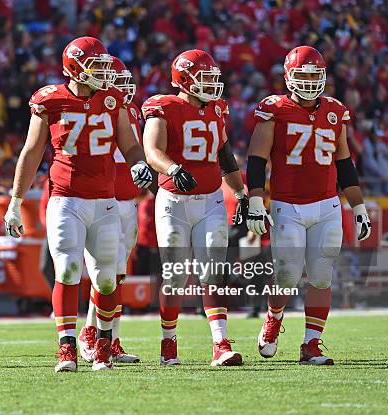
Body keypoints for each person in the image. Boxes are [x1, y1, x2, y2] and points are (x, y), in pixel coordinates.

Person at [3, 37, 153, 372]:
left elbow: (129, 144)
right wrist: (15, 201)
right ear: (74, 67)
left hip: (105, 200)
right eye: (96, 65)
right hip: (65, 198)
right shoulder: (50, 100)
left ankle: (102, 344)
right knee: (68, 269)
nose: (103, 72)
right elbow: (31, 152)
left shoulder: (113, 99)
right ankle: (67, 347)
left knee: (107, 278)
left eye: (104, 64)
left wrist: (138, 163)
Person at [246, 46, 372, 365]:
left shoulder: (335, 110)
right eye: (303, 75)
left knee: (321, 274)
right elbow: (257, 158)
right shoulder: (274, 109)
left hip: (328, 203)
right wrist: (257, 198)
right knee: (287, 274)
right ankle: (274, 319)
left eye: (315, 75)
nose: (310, 81)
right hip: (288, 204)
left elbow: (344, 164)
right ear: (289, 77)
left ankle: (311, 345)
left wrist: (358, 206)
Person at [142, 49, 247, 366]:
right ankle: (168, 341)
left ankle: (220, 343)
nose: (212, 84)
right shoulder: (164, 107)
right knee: (175, 275)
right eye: (205, 77)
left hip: (212, 198)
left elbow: (225, 155)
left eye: (213, 77)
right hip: (173, 201)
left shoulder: (217, 108)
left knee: (213, 272)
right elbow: (152, 151)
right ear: (184, 79)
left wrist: (240, 192)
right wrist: (173, 169)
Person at [78, 56, 145, 365]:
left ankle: (112, 337)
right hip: (103, 200)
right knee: (103, 273)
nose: (123, 88)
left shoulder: (129, 110)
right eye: (116, 82)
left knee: (117, 273)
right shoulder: (91, 107)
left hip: (128, 200)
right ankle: (91, 331)